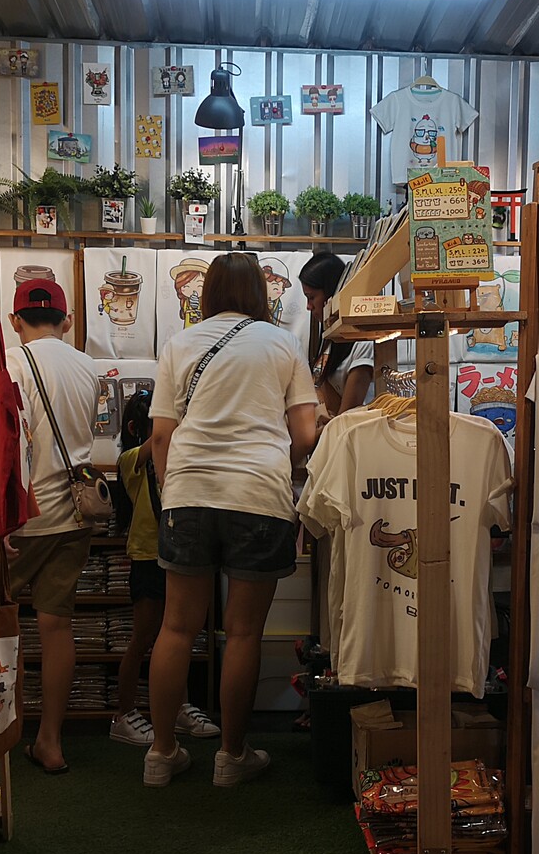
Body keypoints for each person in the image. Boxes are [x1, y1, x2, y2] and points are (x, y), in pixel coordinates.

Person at [145, 252, 317, 788]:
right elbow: (306, 434)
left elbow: (160, 436)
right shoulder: (283, 343)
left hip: (188, 493)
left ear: (209, 293)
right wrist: (278, 463)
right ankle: (232, 756)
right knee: (243, 633)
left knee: (176, 627)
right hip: (258, 493)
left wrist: (173, 491)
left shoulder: (180, 344)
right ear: (260, 295)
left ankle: (161, 753)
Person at [3, 278, 99, 775]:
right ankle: (51, 741)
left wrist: (2, 518)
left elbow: (10, 445)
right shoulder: (88, 367)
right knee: (57, 627)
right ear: (67, 320)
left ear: (15, 320)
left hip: (22, 517)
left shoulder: (10, 363)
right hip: (74, 513)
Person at [110, 391, 219, 747]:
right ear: (135, 428)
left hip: (175, 553)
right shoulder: (130, 460)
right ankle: (124, 714)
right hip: (147, 557)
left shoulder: (174, 459)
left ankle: (179, 708)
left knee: (178, 636)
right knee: (143, 638)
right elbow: (155, 442)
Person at [299, 253, 374, 420]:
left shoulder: (363, 344)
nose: (309, 306)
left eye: (311, 298)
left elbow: (346, 417)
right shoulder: (332, 337)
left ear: (330, 294)